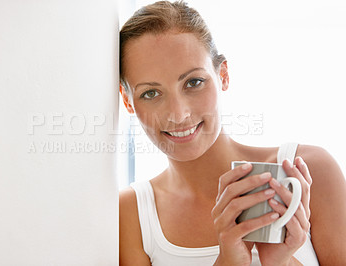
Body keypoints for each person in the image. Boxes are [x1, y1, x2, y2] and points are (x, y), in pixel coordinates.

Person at [118, 1, 346, 265]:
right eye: (151, 93)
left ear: (223, 75)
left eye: (194, 82)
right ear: (127, 101)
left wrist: (280, 261)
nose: (178, 114)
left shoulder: (307, 171)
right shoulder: (130, 214)